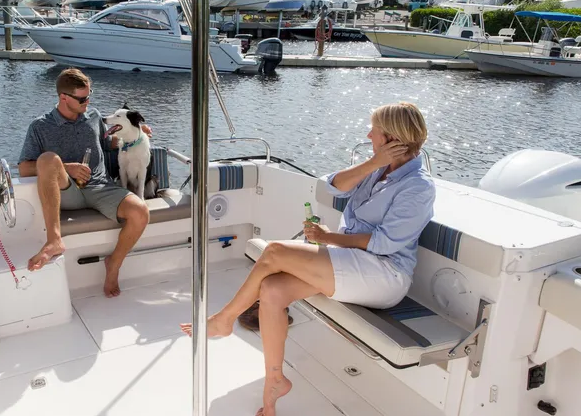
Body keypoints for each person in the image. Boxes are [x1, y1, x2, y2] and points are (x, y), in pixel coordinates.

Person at [180, 102, 435, 416]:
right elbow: (330, 187)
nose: (368, 134)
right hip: (351, 261)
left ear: (393, 138)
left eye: (375, 131)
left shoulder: (418, 187)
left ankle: (225, 319)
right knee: (272, 290)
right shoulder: (377, 171)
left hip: (385, 275)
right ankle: (275, 381)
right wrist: (373, 163)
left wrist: (328, 238)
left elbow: (384, 243)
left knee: (274, 252)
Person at [18, 68, 151, 297]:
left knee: (141, 212)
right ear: (63, 98)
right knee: (48, 159)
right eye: (82, 99)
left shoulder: (94, 116)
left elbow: (109, 143)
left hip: (100, 186)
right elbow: (24, 167)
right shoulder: (39, 126)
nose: (87, 102)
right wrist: (66, 167)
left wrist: (136, 133)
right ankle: (54, 241)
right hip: (66, 190)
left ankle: (114, 264)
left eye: (90, 96)